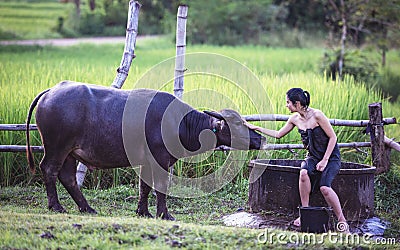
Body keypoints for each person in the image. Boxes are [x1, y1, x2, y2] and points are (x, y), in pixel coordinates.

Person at [244, 88, 347, 229]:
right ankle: (305, 213)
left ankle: (342, 221)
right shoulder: (294, 119)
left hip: (330, 157)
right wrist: (256, 128)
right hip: (313, 157)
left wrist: (325, 160)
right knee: (303, 173)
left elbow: (333, 137)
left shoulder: (317, 115)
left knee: (324, 188)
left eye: (288, 102)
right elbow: (278, 134)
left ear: (297, 103)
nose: (286, 105)